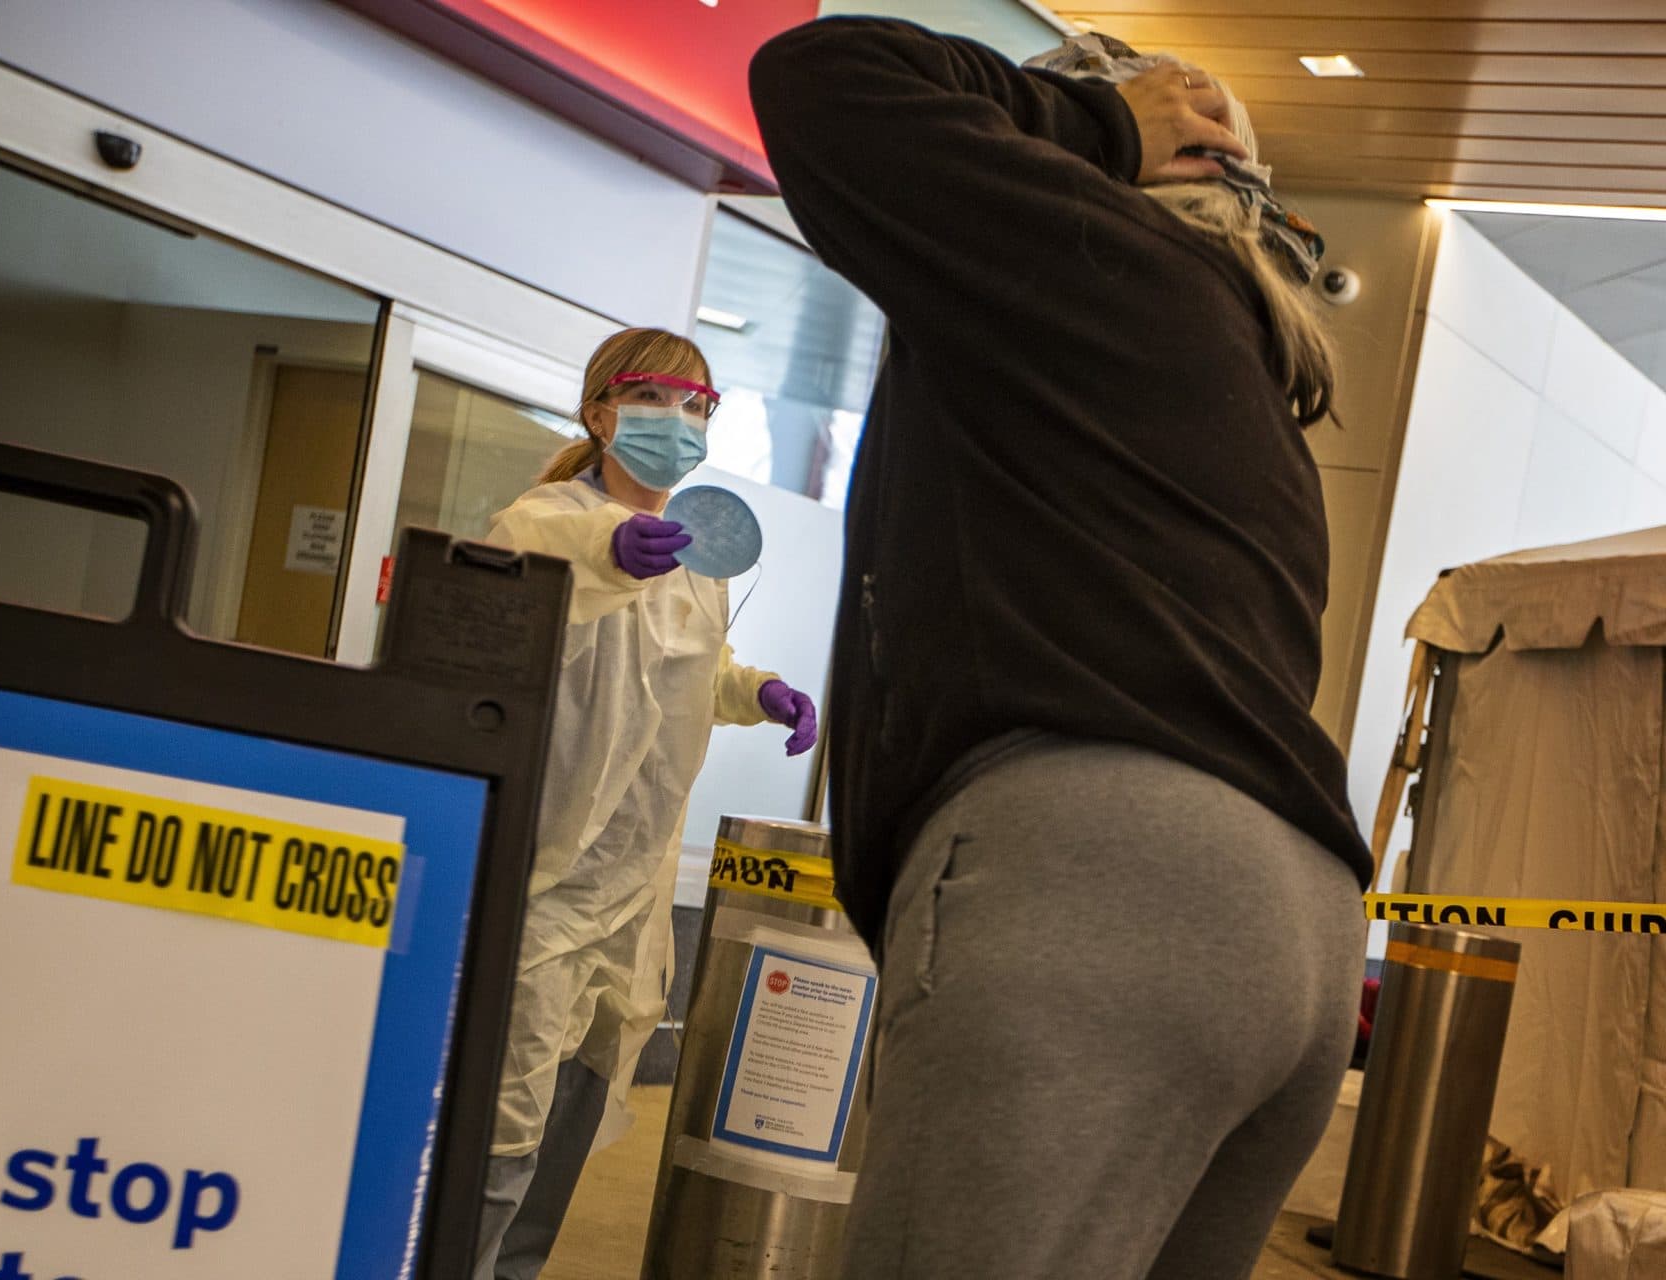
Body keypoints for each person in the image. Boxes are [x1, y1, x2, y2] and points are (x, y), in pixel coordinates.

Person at [749, 20, 1374, 1280]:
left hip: (1102, 878)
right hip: (1297, 925)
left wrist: (1097, 126)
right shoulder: (1249, 373)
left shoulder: (1074, 251)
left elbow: (819, 75)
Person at [474, 327, 819, 1280]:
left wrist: (754, 693)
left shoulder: (699, 563)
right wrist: (612, 551)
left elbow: (686, 673)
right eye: (659, 399)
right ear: (600, 413)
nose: (682, 422)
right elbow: (558, 573)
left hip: (629, 894)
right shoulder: (545, 520)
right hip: (540, 881)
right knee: (501, 1124)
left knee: (574, 1113)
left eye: (700, 406)